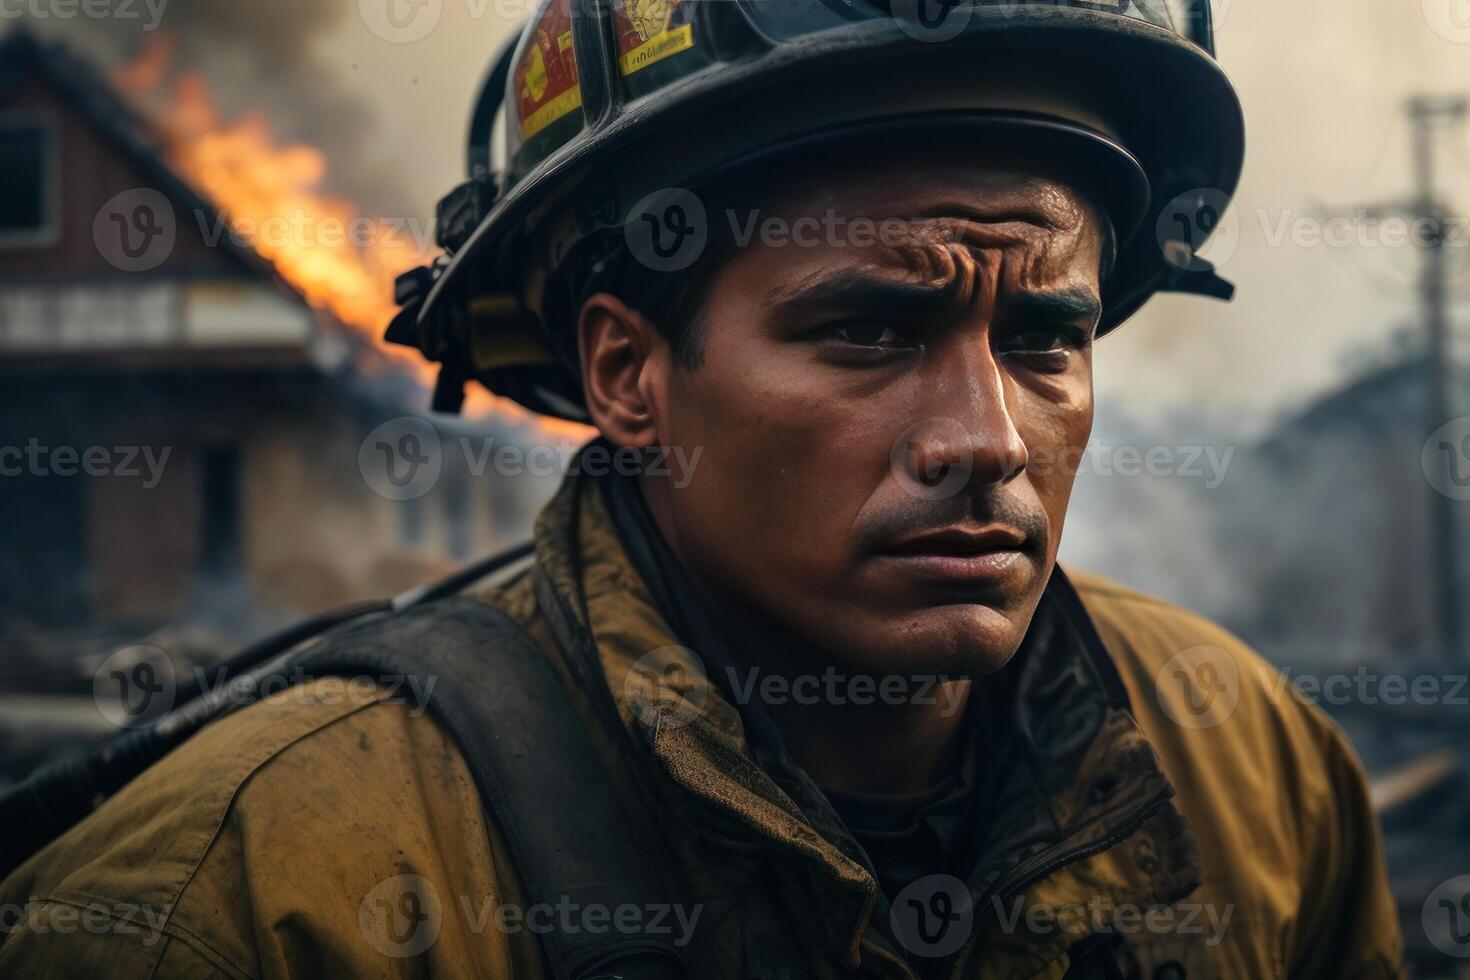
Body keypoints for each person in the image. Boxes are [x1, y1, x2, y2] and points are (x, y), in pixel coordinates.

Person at [0, 1, 1404, 977]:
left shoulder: (1253, 768)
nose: (983, 437)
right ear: (627, 373)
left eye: (1043, 337)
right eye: (864, 331)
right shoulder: (255, 897)